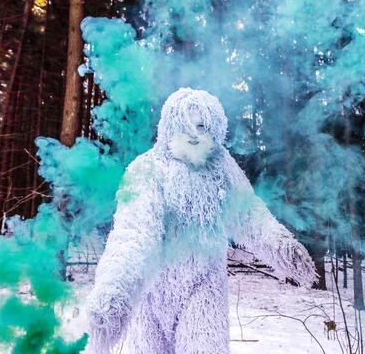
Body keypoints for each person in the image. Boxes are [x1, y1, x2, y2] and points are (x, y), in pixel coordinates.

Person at [87, 88, 316, 353]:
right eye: (186, 126)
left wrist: (282, 247)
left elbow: (248, 214)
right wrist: (115, 289)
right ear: (170, 126)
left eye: (201, 125)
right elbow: (133, 233)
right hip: (152, 291)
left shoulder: (222, 166)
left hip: (204, 286)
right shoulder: (148, 168)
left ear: (214, 127)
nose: (194, 134)